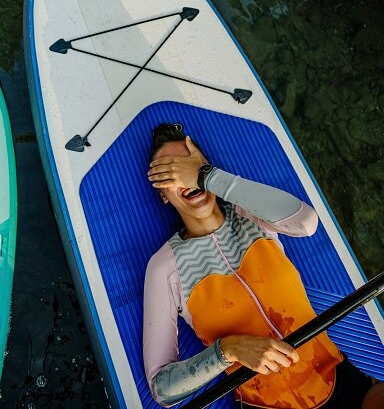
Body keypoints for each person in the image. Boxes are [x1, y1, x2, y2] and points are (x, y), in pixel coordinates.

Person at [143, 123, 383, 409]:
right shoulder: (163, 268)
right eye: (169, 173)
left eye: (190, 165)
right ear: (163, 194)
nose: (185, 176)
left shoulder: (251, 216)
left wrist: (205, 176)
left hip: (336, 377)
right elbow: (163, 389)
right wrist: (228, 349)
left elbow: (305, 222)